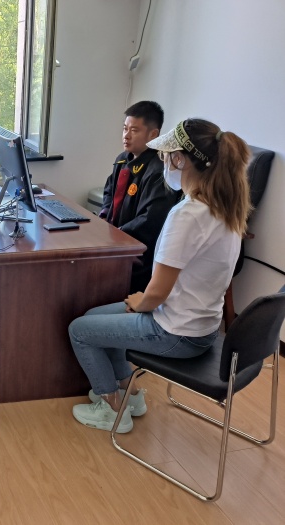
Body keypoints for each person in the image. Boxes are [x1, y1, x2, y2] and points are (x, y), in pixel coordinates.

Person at [69, 118, 251, 433]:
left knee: (80, 330)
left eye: (166, 156)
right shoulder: (226, 209)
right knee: (95, 318)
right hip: (203, 327)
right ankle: (130, 395)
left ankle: (112, 409)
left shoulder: (187, 215)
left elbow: (156, 294)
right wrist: (142, 302)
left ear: (180, 160)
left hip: (176, 332)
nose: (163, 162)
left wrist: (140, 303)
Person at [99, 101, 182, 293]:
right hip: (116, 240)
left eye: (134, 130)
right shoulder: (122, 159)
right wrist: (104, 215)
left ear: (153, 134)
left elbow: (151, 219)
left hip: (139, 252)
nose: (126, 135)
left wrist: (118, 233)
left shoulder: (159, 170)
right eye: (125, 129)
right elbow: (109, 190)